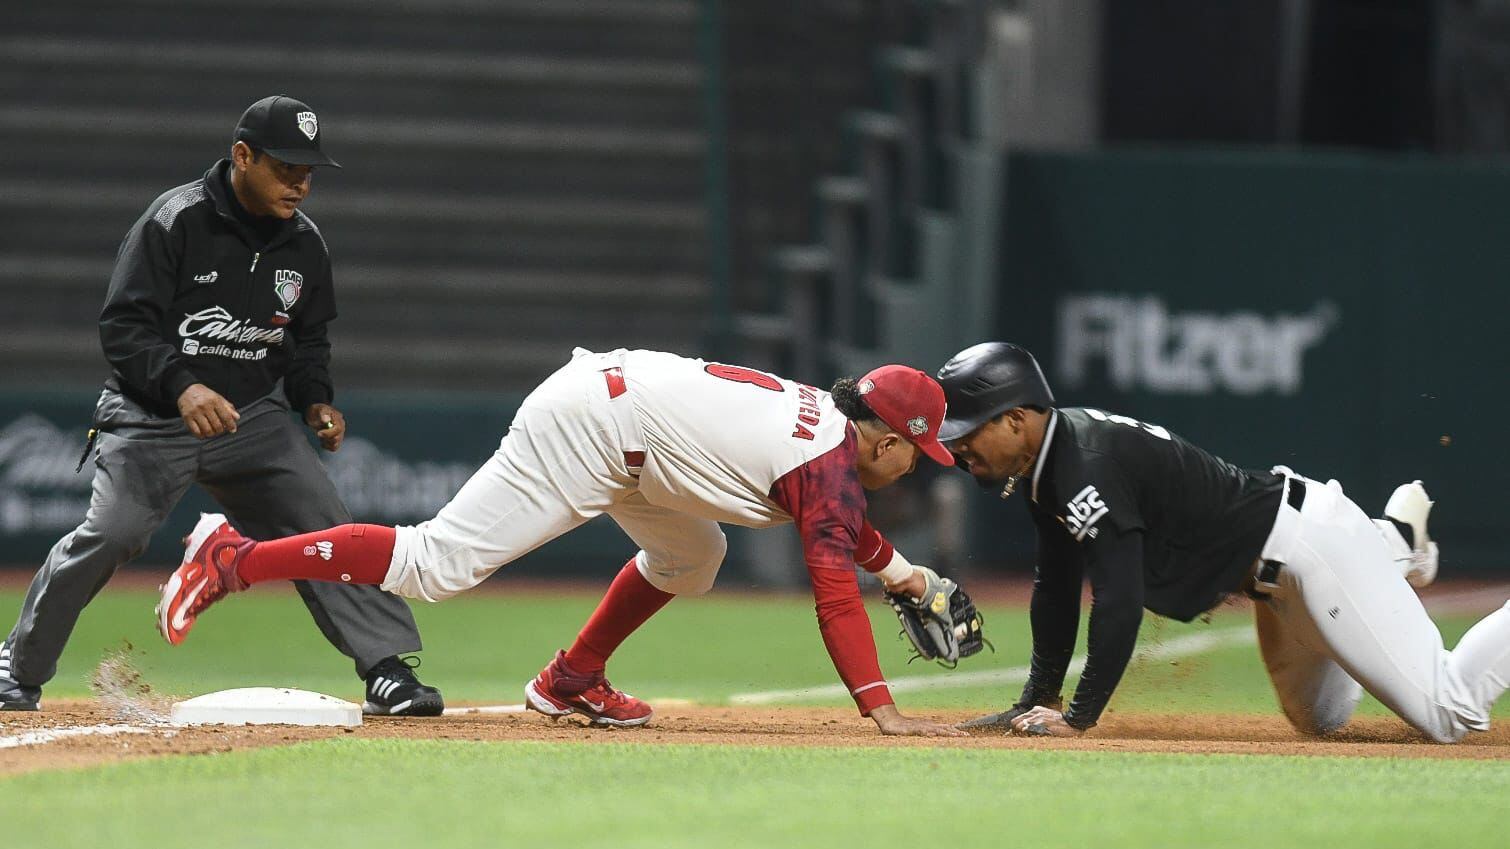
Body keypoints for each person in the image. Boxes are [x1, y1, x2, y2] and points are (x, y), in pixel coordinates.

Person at [156, 347, 967, 736]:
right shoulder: (826, 463)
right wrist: (882, 710)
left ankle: (571, 677)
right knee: (433, 563)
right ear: (888, 440)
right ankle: (234, 556)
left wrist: (899, 571)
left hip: (630, 431)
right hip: (595, 427)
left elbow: (839, 526)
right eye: (916, 452)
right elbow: (831, 588)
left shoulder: (825, 435)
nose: (914, 467)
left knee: (696, 555)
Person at [0, 96, 442, 717]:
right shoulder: (175, 221)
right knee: (113, 532)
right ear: (242, 156)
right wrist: (182, 387)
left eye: (309, 171)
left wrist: (315, 401)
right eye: (286, 167)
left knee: (325, 527)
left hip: (251, 418)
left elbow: (307, 340)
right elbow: (124, 328)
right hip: (153, 416)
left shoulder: (305, 246)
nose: (300, 182)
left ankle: (387, 668)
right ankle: (16, 666)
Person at [937, 341, 1508, 743]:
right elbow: (1056, 587)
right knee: (1322, 721)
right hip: (1277, 567)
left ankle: (1384, 546)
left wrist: (1080, 716)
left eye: (968, 432)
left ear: (1015, 420)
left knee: (1448, 711)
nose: (959, 450)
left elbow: (1118, 599)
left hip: (1309, 550)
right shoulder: (1051, 466)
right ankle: (1394, 542)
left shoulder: (1085, 468)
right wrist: (1039, 698)